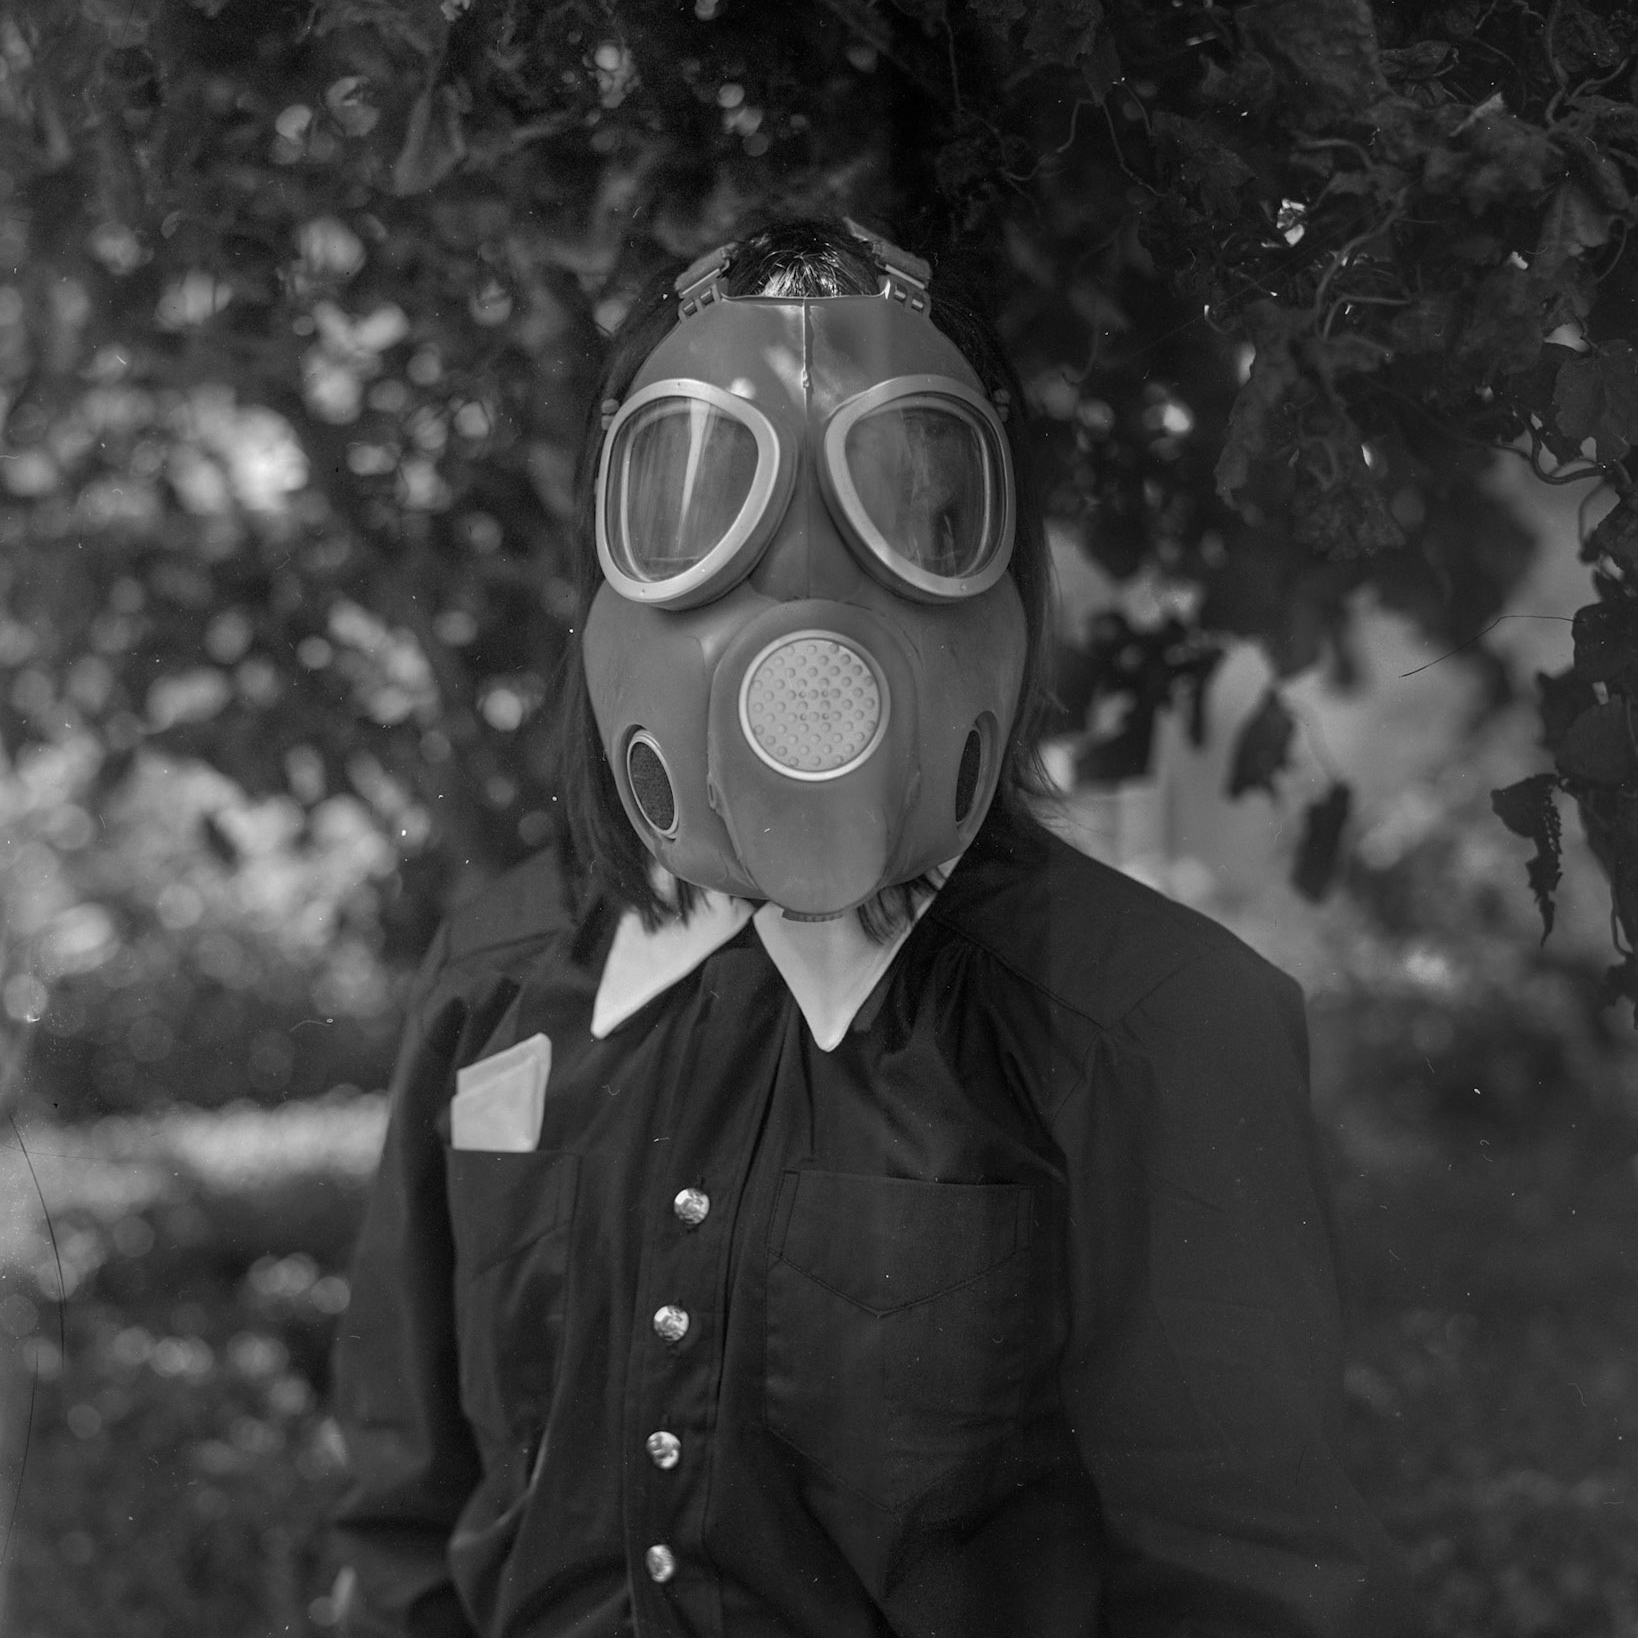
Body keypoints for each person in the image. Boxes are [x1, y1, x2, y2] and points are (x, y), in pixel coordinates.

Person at [330, 218, 1415, 1637]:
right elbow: (407, 1516)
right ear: (607, 564)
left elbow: (1243, 1587)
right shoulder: (495, 979)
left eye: (911, 508)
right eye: (697, 503)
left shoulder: (1150, 1023)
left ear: (1008, 573)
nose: (802, 602)